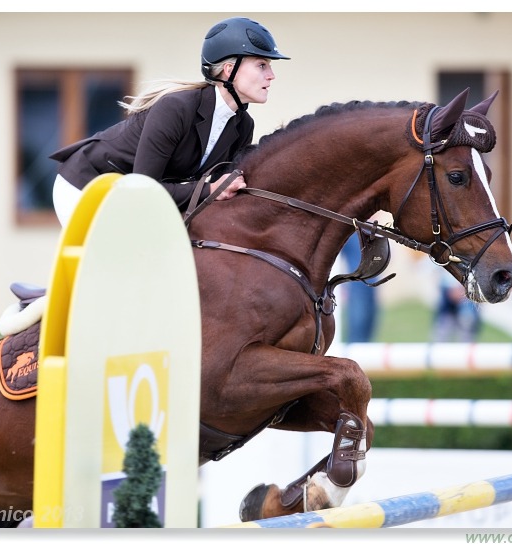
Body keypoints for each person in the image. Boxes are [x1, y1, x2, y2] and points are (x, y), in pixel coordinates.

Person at [49, 16, 290, 226]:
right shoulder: (175, 108)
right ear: (229, 69)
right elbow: (146, 189)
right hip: (87, 184)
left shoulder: (242, 126)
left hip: (135, 198)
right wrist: (210, 190)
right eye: (262, 65)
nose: (271, 75)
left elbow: (223, 190)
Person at [339, 232, 379, 343]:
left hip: (371, 286)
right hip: (357, 288)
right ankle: (355, 352)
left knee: (368, 330)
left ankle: (362, 352)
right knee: (357, 333)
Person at [431, 270, 481, 342]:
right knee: (443, 325)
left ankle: (467, 342)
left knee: (467, 320)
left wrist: (462, 290)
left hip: (467, 291)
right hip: (448, 291)